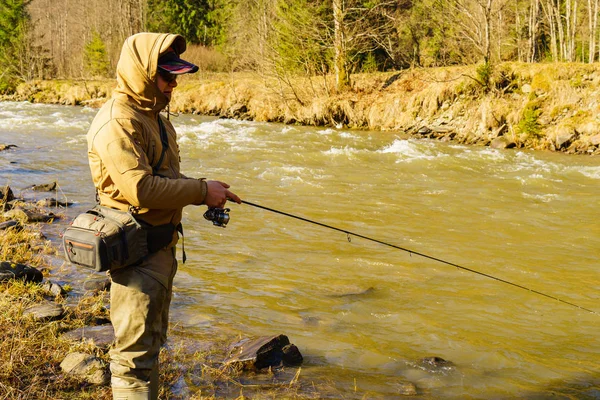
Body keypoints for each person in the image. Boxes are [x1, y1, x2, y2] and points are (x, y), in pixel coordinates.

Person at [86, 32, 241, 400]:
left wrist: (207, 189)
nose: (174, 85)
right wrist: (200, 191)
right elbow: (141, 189)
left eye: (176, 77)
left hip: (159, 253)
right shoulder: (117, 123)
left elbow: (165, 180)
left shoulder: (153, 117)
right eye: (167, 77)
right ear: (142, 73)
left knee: (151, 348)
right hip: (136, 257)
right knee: (133, 362)